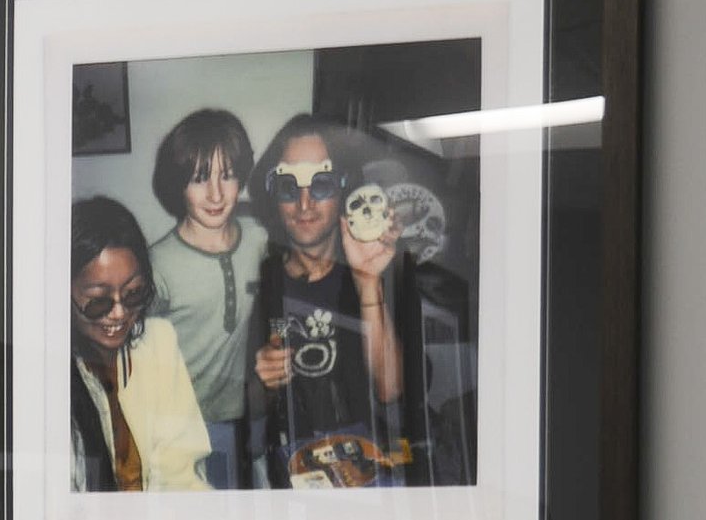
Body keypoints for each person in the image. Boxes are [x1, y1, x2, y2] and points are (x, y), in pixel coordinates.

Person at [242, 115, 471, 487]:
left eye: (321, 184)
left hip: (380, 480)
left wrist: (368, 283)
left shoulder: (387, 270)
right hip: (303, 478)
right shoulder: (270, 281)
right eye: (288, 187)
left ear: (344, 188)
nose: (304, 203)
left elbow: (391, 389)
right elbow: (254, 406)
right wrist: (263, 382)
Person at [147, 107, 268, 481]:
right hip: (183, 426)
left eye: (227, 176)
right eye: (200, 178)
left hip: (250, 418)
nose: (216, 194)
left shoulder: (260, 241)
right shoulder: (157, 265)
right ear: (178, 183)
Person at [69, 195, 211, 493]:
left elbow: (181, 471)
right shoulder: (49, 377)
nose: (119, 313)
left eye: (133, 293)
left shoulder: (159, 343)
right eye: (99, 301)